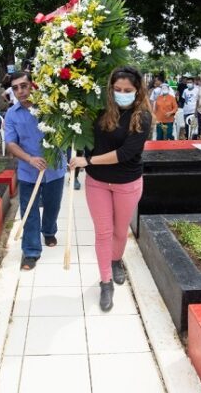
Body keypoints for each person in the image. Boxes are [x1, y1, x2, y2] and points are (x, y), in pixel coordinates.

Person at [68, 66, 152, 312]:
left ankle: (116, 261)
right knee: (103, 232)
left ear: (137, 91)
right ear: (110, 89)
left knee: (119, 231)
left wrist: (89, 161)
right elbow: (87, 138)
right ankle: (106, 282)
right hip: (98, 183)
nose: (122, 94)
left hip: (127, 183)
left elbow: (126, 153)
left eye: (127, 90)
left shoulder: (142, 117)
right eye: (117, 89)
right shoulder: (99, 111)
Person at [4, 71, 67, 271]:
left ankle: (49, 231)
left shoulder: (50, 107)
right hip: (28, 170)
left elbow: (65, 129)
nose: (20, 91)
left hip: (55, 168)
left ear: (33, 85)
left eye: (24, 86)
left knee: (52, 205)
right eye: (15, 88)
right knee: (28, 210)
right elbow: (11, 144)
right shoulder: (12, 114)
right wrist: (30, 159)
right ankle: (31, 250)